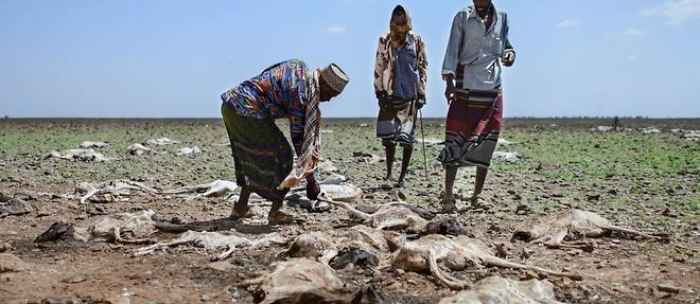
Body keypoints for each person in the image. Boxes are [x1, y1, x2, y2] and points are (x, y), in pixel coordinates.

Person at [220, 59, 349, 224]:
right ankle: (275, 211)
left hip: (230, 106)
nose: (329, 100)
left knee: (246, 158)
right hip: (248, 111)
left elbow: (267, 73)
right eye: (331, 95)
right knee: (284, 157)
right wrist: (311, 181)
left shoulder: (298, 66)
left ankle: (240, 207)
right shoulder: (303, 93)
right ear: (324, 84)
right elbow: (299, 140)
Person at [438, 0, 516, 212]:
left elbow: (505, 46)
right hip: (466, 85)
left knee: (487, 141)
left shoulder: (502, 17)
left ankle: (477, 195)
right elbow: (452, 48)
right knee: (455, 139)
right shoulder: (463, 17)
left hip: (492, 89)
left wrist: (509, 54)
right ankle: (448, 195)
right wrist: (449, 82)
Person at [374, 5, 428, 187]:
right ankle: (389, 174)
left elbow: (422, 67)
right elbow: (379, 66)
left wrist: (422, 92)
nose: (399, 26)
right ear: (392, 22)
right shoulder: (385, 40)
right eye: (396, 22)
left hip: (410, 96)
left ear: (408, 22)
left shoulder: (417, 41)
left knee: (407, 139)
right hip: (390, 94)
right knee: (389, 139)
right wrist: (379, 91)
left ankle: (402, 177)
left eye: (402, 22)